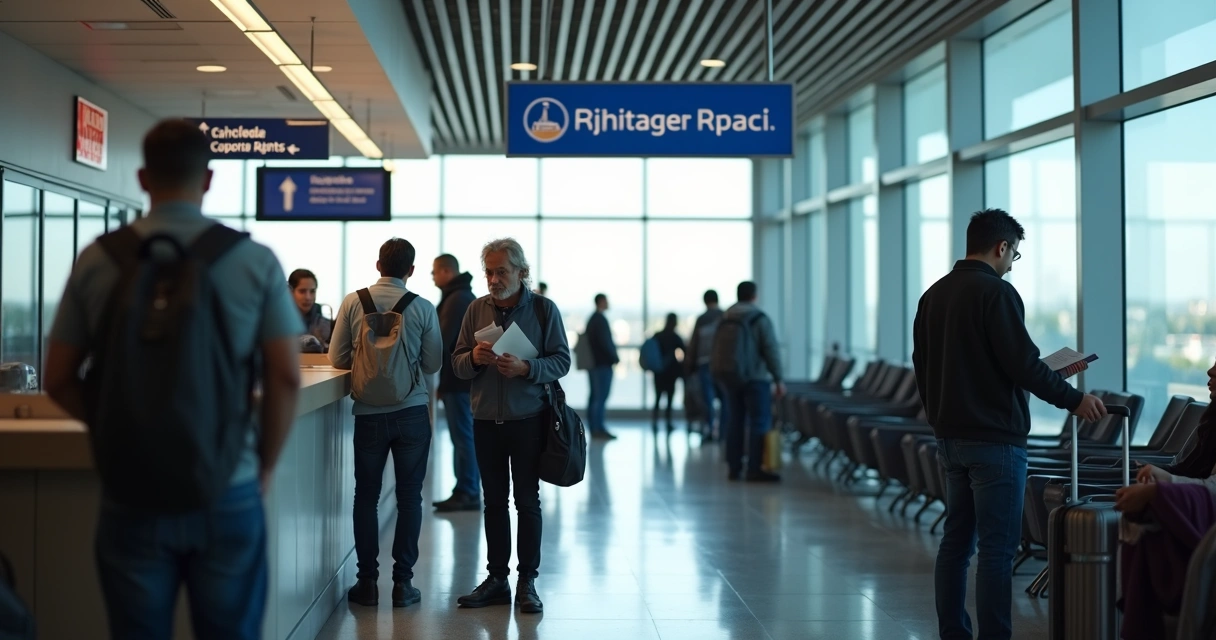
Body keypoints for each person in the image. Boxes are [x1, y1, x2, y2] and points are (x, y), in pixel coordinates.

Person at [42, 119, 303, 639]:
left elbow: (57, 378)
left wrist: (120, 426)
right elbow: (286, 378)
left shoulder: (98, 259)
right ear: (207, 179)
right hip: (228, 484)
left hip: (132, 489)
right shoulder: (254, 261)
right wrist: (265, 466)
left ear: (142, 178)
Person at [912, 208, 1106, 640]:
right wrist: (1074, 399)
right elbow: (1023, 366)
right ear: (1002, 247)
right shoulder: (995, 294)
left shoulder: (933, 296)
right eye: (1013, 254)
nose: (1011, 263)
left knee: (956, 544)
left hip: (950, 438)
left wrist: (939, 417)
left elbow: (921, 368)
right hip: (995, 443)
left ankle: (954, 633)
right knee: (998, 551)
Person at [451, 238, 571, 614]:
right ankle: (497, 579)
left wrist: (527, 369)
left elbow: (562, 361)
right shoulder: (475, 309)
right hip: (486, 420)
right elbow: (455, 364)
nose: (493, 278)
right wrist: (473, 357)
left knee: (527, 501)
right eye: (489, 271)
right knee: (493, 503)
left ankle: (528, 582)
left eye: (501, 271)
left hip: (528, 420)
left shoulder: (543, 310)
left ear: (522, 272)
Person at [328, 238, 442, 609]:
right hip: (411, 413)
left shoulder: (351, 302)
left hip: (368, 415)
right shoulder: (422, 307)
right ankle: (402, 585)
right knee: (410, 498)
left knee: (366, 497)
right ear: (410, 270)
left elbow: (337, 357)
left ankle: (367, 584)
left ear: (378, 265)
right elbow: (432, 364)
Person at [717, 281, 784, 482]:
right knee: (759, 421)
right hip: (756, 378)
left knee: (734, 419)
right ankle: (754, 468)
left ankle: (733, 467)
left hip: (731, 375)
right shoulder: (759, 318)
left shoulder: (726, 316)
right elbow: (770, 349)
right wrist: (778, 378)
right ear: (754, 296)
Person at [431, 253, 480, 512]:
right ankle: (465, 489)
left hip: (460, 383)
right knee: (463, 437)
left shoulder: (457, 299)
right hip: (458, 381)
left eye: (434, 271)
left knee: (463, 437)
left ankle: (468, 490)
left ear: (447, 272)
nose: (432, 276)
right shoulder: (459, 297)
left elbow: (444, 339)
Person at [686, 289, 724, 440]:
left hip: (704, 363)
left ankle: (709, 428)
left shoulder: (701, 319)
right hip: (722, 362)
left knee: (707, 398)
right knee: (724, 398)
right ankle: (723, 431)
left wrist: (690, 364)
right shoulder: (724, 316)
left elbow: (694, 343)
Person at [585, 293, 618, 440]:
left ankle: (594, 427)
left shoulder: (593, 319)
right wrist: (614, 357)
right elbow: (605, 343)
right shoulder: (600, 320)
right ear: (601, 302)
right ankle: (598, 428)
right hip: (602, 365)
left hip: (594, 364)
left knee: (595, 396)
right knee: (600, 397)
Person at [651, 313, 686, 434]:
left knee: (657, 398)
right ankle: (668, 423)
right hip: (671, 372)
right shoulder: (675, 337)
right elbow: (685, 351)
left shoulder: (657, 335)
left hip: (658, 371)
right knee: (669, 399)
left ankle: (654, 423)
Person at [289, 268, 333, 350]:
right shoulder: (279, 323)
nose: (308, 297)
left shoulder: (326, 326)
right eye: (302, 291)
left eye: (312, 291)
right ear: (290, 292)